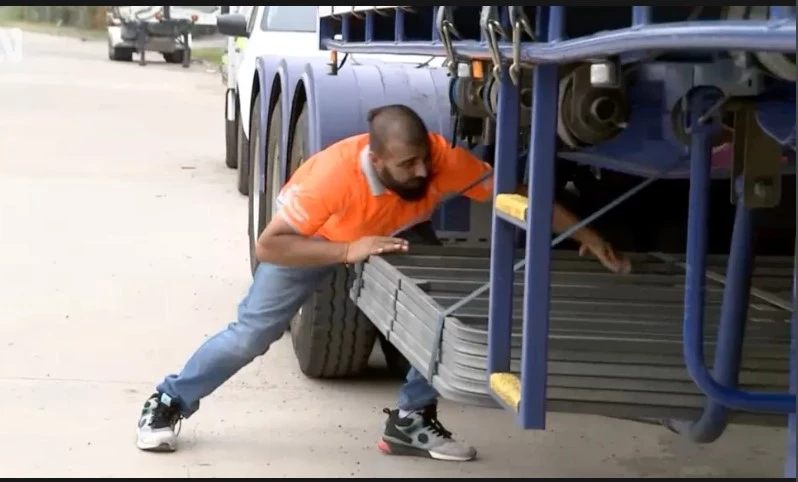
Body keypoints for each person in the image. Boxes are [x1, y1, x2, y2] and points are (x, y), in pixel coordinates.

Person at [135, 104, 631, 462]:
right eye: (406, 165)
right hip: (318, 240)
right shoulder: (329, 179)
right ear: (376, 160)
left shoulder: (438, 160)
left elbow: (514, 192)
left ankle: (411, 422)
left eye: (423, 161)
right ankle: (168, 401)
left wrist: (585, 233)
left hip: (397, 233)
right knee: (251, 334)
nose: (421, 172)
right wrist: (347, 250)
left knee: (438, 313)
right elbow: (271, 244)